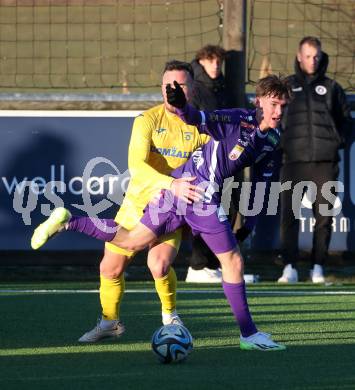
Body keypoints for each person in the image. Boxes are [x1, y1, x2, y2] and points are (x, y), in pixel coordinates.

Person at [32, 74, 291, 351]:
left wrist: (249, 224)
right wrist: (181, 108)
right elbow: (199, 118)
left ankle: (70, 222)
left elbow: (263, 182)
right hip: (197, 193)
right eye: (273, 104)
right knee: (233, 262)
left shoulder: (273, 139)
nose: (277, 111)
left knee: (132, 240)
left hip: (178, 189)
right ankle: (249, 335)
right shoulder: (237, 119)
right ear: (259, 101)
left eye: (282, 106)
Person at [62, 60, 210, 342]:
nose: (173, 89)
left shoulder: (201, 128)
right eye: (168, 85)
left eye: (180, 84)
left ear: (192, 89)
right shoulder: (147, 120)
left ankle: (170, 316)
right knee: (109, 268)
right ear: (161, 88)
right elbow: (137, 166)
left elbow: (206, 171)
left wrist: (184, 198)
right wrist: (170, 183)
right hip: (135, 206)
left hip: (171, 208)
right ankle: (109, 323)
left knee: (159, 265)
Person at [278, 36, 352, 284]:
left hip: (324, 162)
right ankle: (289, 266)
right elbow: (274, 117)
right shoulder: (287, 86)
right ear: (299, 57)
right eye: (308, 56)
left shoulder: (332, 88)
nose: (313, 60)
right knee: (289, 215)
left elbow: (345, 122)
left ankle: (317, 267)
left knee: (324, 216)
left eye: (316, 55)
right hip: (293, 162)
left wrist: (335, 142)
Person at [187, 44, 232, 283]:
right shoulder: (195, 89)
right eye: (210, 60)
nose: (216, 65)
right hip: (203, 157)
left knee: (225, 209)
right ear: (201, 62)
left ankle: (213, 264)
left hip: (224, 157)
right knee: (203, 208)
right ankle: (197, 265)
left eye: (219, 61)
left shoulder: (223, 86)